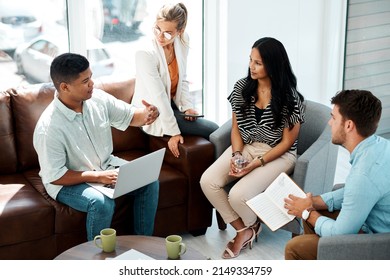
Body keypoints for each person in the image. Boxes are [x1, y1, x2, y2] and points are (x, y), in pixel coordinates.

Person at [33, 53, 160, 241]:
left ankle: (143, 244)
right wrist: (98, 177)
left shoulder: (98, 99)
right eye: (85, 81)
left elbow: (132, 117)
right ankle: (97, 258)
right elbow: (56, 175)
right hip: (67, 181)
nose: (92, 84)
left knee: (148, 180)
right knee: (101, 202)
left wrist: (148, 115)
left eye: (91, 77)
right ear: (65, 87)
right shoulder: (49, 128)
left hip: (104, 166)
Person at [200, 37, 305, 259]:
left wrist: (255, 164)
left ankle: (247, 227)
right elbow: (236, 128)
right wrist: (237, 155)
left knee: (238, 196)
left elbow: (287, 143)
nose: (251, 66)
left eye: (258, 62)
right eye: (250, 60)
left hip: (280, 154)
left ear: (273, 65)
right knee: (207, 182)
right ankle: (244, 228)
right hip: (247, 146)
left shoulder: (291, 99)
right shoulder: (242, 87)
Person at [284, 89, 390, 260]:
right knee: (313, 210)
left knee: (294, 248)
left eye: (333, 117)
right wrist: (314, 202)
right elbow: (354, 192)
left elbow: (340, 235)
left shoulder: (363, 175)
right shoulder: (380, 146)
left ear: (348, 125)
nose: (329, 123)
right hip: (372, 222)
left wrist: (307, 212)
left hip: (380, 246)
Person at [131, 2, 218, 158]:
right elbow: (158, 96)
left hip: (173, 106)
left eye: (167, 33)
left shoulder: (183, 40)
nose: (160, 36)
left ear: (180, 31)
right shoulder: (144, 53)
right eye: (157, 29)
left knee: (215, 131)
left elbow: (182, 78)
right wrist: (173, 132)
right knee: (213, 129)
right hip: (154, 112)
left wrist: (187, 107)